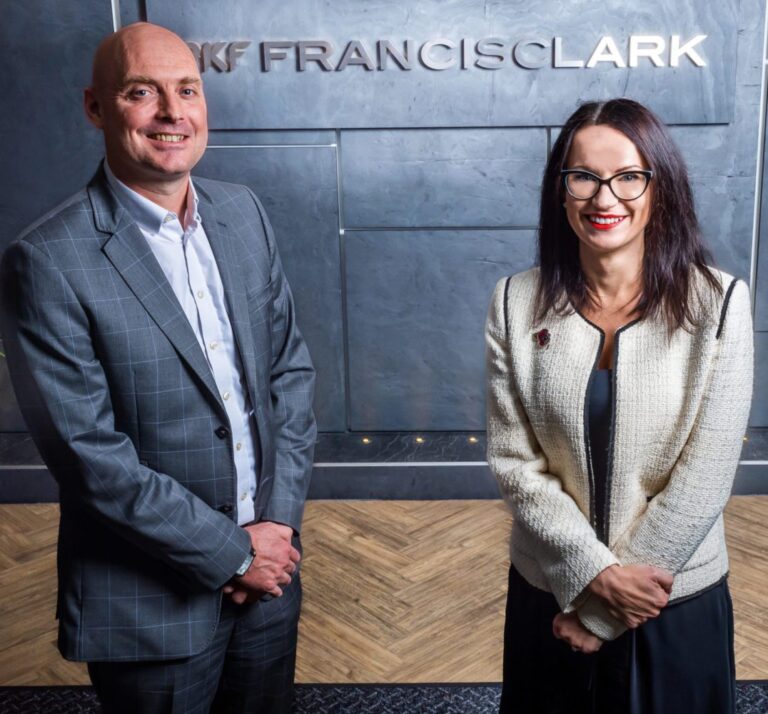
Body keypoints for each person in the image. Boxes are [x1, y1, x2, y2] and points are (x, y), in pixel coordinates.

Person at [0, 22, 316, 714]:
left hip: (271, 577)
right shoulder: (48, 260)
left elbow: (289, 376)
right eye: (144, 92)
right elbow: (90, 458)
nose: (174, 114)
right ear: (95, 108)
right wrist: (233, 553)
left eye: (188, 91)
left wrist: (279, 528)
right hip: (146, 603)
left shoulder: (243, 213)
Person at [485, 98, 753, 713]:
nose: (605, 199)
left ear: (661, 187)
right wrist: (590, 577)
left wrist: (604, 614)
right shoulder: (513, 302)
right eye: (584, 177)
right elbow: (514, 463)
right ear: (561, 189)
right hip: (551, 592)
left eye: (629, 177)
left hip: (670, 598)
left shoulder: (719, 304)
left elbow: (707, 471)